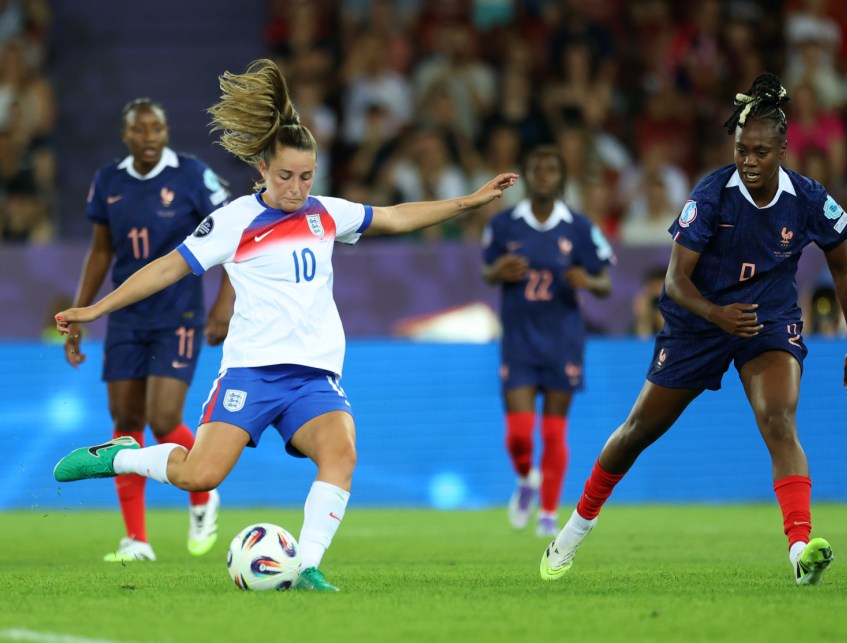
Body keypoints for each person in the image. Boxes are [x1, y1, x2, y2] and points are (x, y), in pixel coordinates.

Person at [52, 59, 518, 592]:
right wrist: (94, 309)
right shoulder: (233, 221)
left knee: (342, 452)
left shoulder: (326, 214)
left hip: (312, 376)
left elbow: (395, 215)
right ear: (262, 171)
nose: (296, 188)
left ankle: (309, 564)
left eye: (305, 177)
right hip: (250, 373)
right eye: (284, 177)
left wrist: (470, 201)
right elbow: (166, 267)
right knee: (200, 475)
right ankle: (123, 456)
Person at [538, 72, 847, 586]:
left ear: (783, 147)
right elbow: (674, 281)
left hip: (767, 321)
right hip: (698, 323)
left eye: (760, 151)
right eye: (742, 150)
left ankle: (800, 551)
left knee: (779, 419)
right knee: (637, 432)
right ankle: (572, 533)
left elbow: (844, 270)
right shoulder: (712, 195)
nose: (749, 161)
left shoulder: (807, 198)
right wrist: (717, 315)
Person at [63, 98, 233, 562]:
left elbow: (232, 238)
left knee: (162, 419)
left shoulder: (194, 176)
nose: (149, 136)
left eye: (156, 128)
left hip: (177, 313)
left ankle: (202, 493)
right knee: (125, 424)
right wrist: (82, 312)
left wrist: (224, 303)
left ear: (166, 131)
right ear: (126, 135)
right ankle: (136, 540)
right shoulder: (109, 181)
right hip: (126, 318)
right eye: (139, 130)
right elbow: (101, 253)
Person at [482, 145, 613, 537]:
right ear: (526, 175)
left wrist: (586, 280)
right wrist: (498, 271)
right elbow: (488, 271)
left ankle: (548, 514)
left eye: (551, 168)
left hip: (563, 340)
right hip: (519, 340)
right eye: (536, 168)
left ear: (561, 177)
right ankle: (526, 480)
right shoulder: (505, 225)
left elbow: (604, 281)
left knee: (554, 432)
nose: (543, 174)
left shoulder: (578, 227)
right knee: (520, 434)